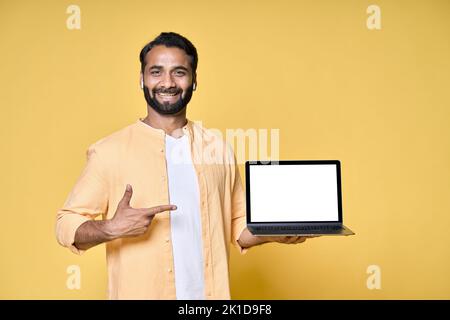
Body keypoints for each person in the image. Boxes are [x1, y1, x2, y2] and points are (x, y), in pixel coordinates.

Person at [55, 32, 310, 300]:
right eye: (156, 72)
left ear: (194, 80)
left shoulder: (217, 148)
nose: (168, 82)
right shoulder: (109, 151)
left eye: (179, 72)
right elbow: (66, 223)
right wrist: (110, 228)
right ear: (141, 79)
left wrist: (275, 232)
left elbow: (238, 227)